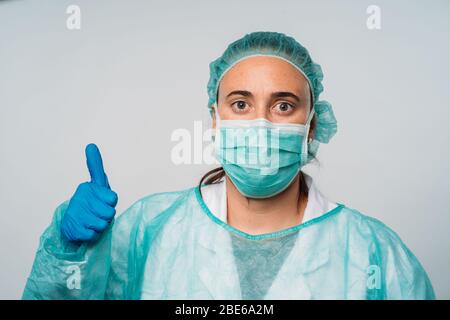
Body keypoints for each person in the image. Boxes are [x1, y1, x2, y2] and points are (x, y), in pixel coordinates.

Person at [22, 31, 435, 300]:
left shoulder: (374, 254)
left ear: (311, 126)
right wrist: (70, 250)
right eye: (240, 104)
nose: (260, 122)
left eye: (284, 105)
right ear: (216, 120)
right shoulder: (149, 231)